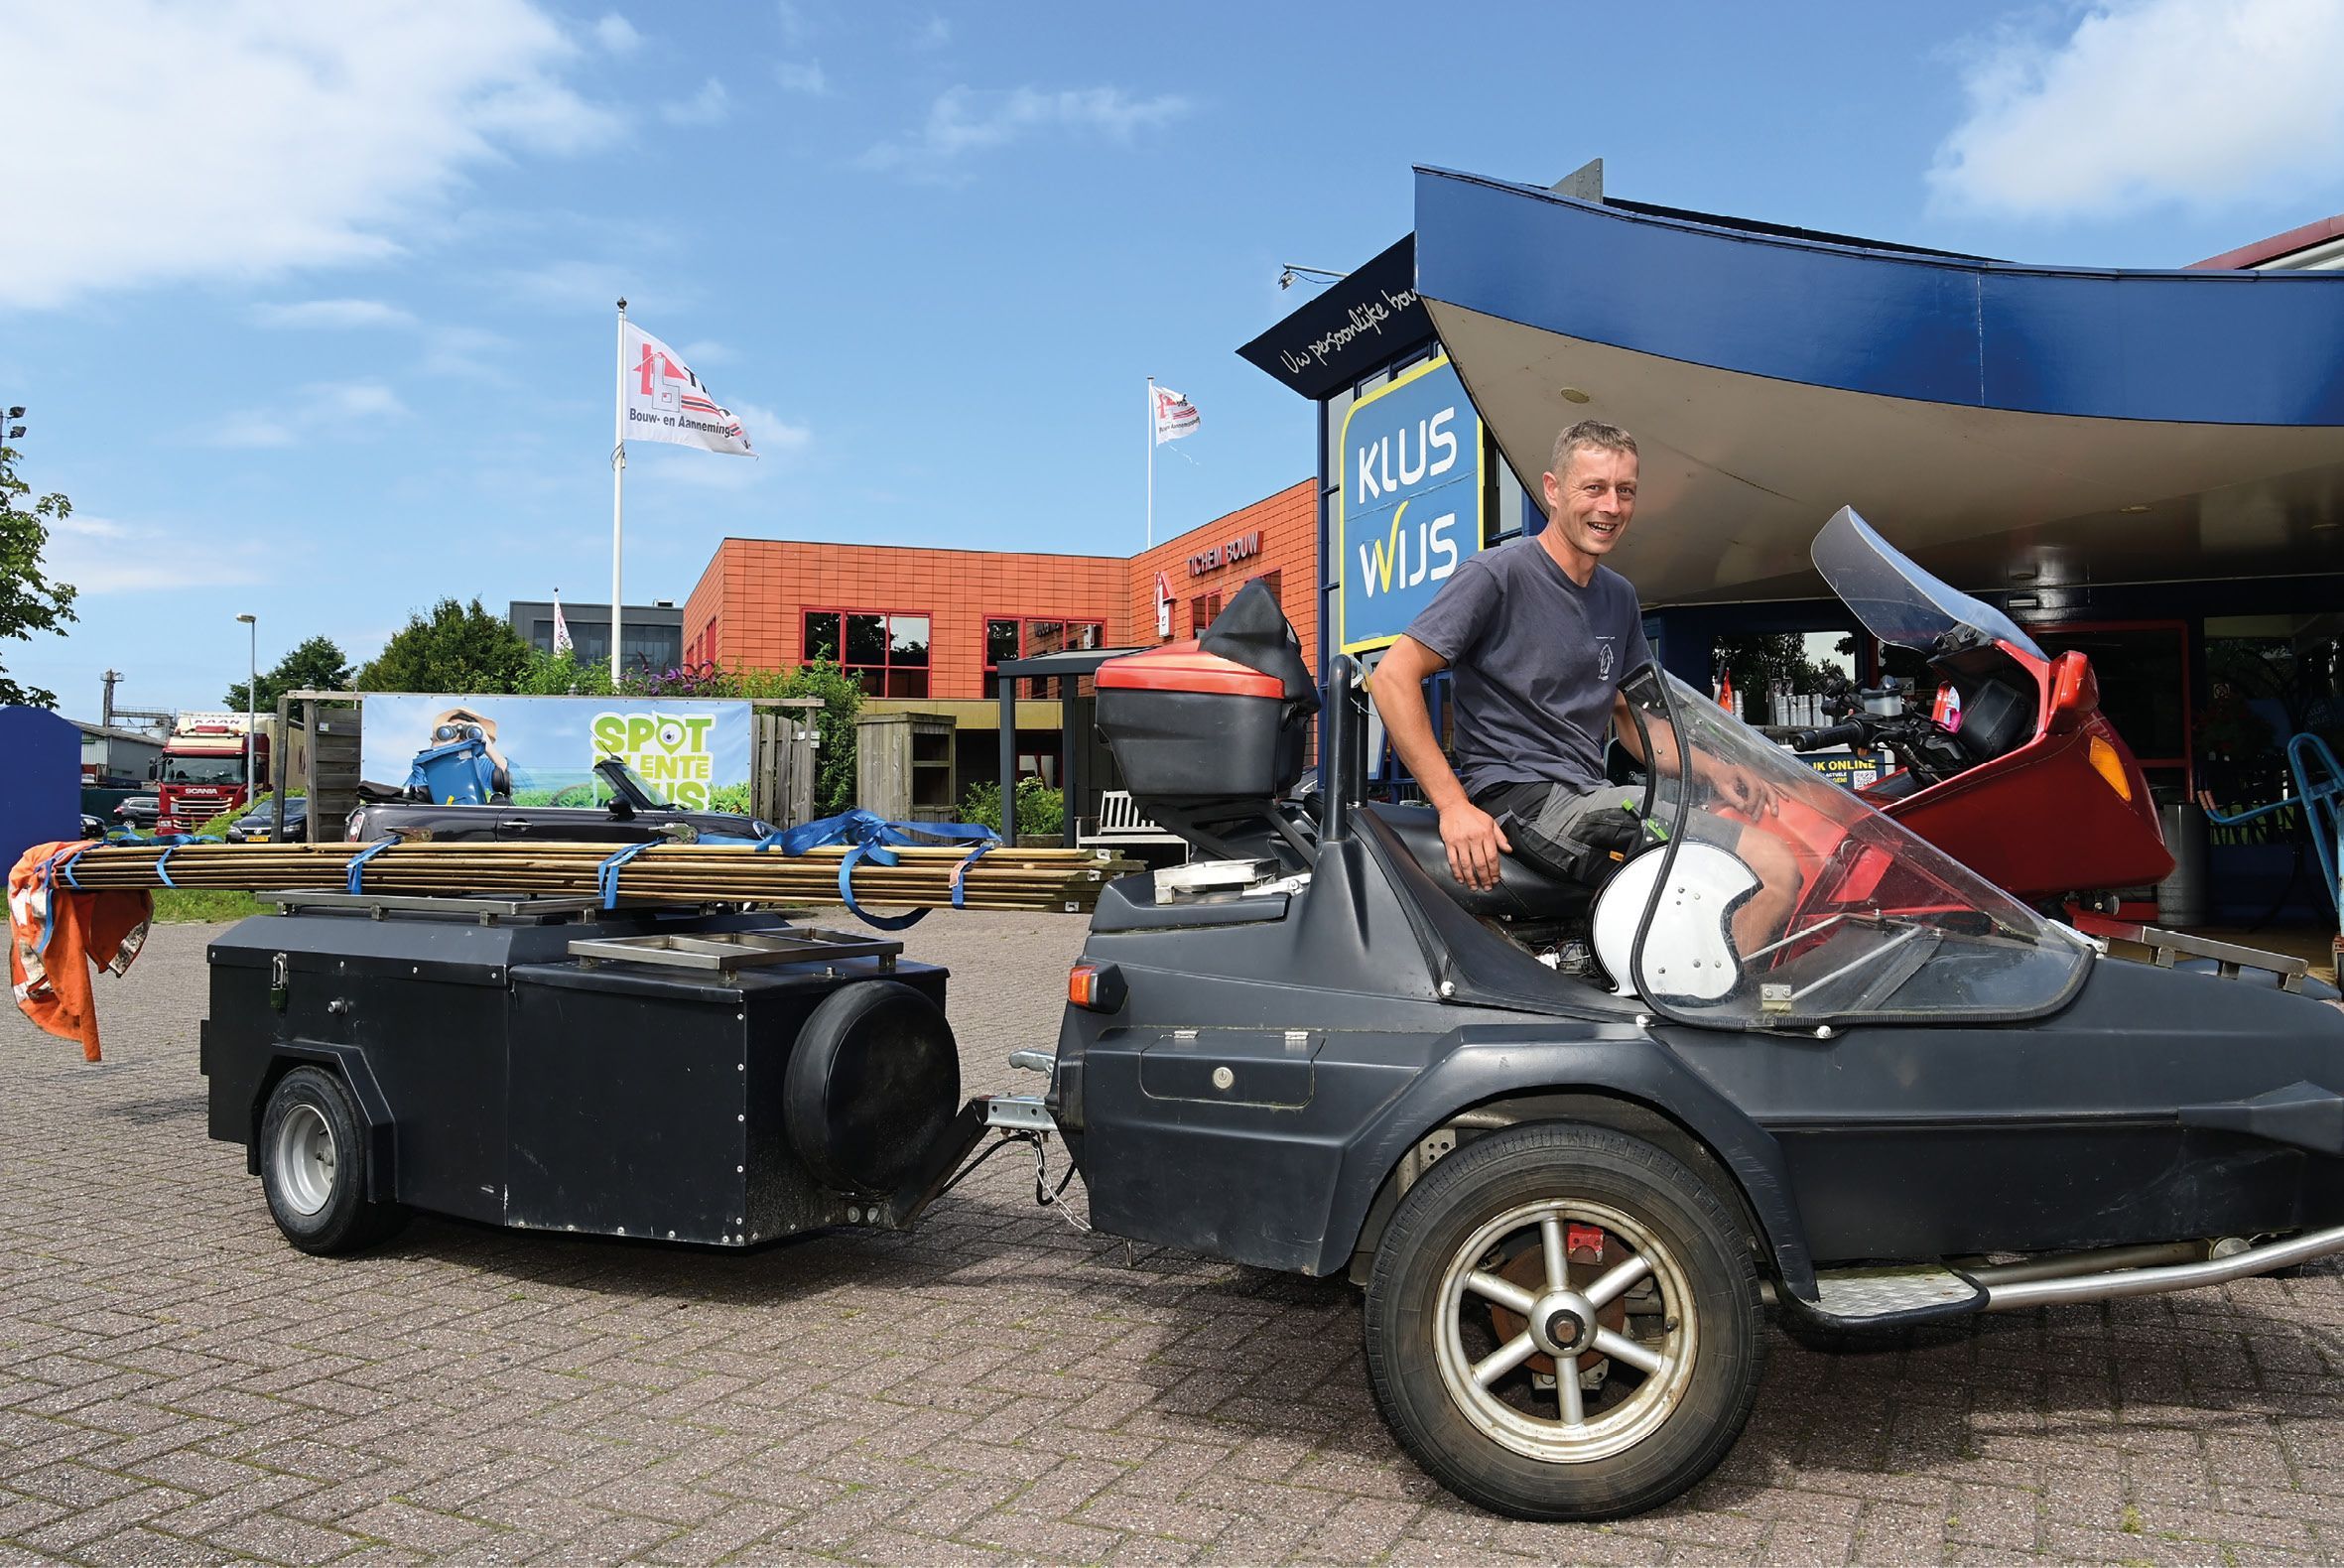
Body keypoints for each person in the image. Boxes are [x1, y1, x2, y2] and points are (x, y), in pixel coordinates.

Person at [1369, 419, 1802, 954]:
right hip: (1522, 798)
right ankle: (1711, 1018)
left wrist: (1717, 770)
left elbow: (1631, 719)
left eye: (1625, 491)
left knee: (1759, 852)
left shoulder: (1618, 597)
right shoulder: (1497, 575)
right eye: (1594, 488)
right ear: (1552, 489)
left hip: (1586, 794)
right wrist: (1454, 806)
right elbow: (1391, 677)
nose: (1612, 506)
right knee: (1768, 866)